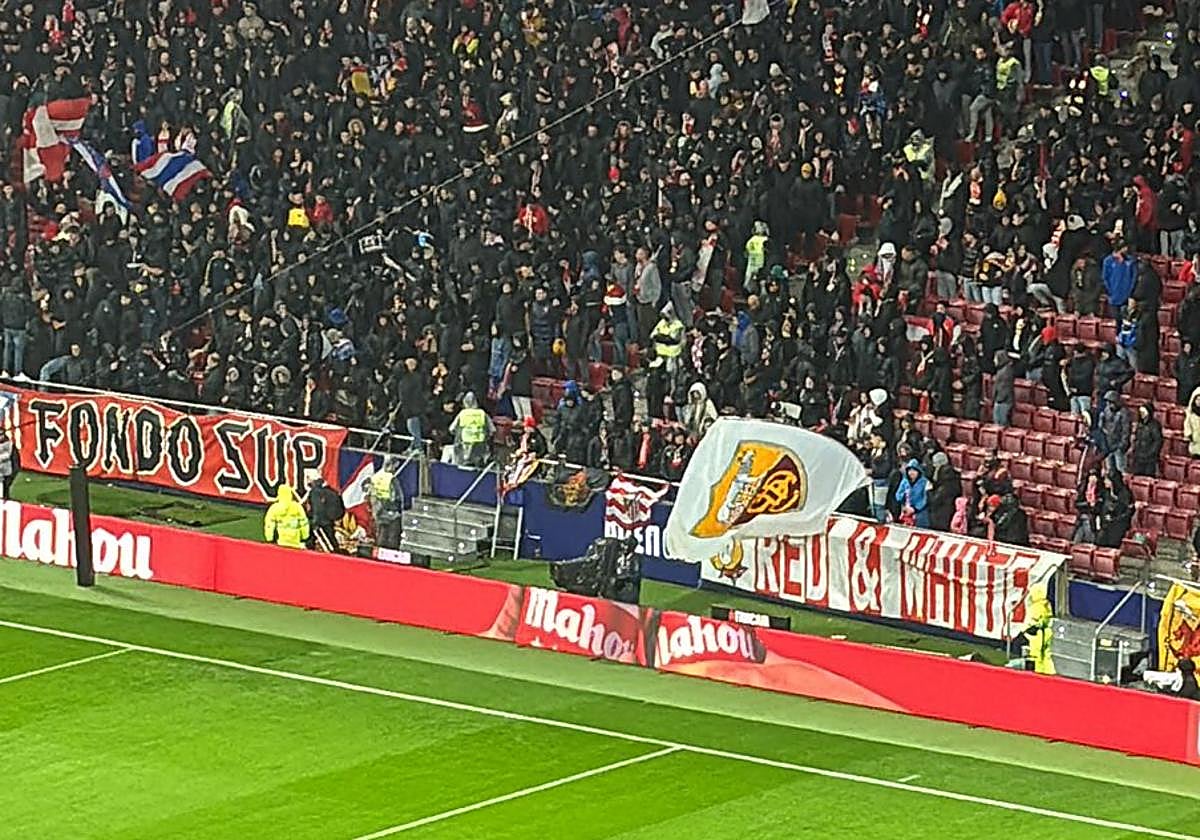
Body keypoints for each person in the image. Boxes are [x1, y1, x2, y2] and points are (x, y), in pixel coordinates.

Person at [448, 392, 494, 467]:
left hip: (464, 448)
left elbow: (451, 429)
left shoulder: (462, 414)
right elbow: (492, 430)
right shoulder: (482, 414)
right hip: (480, 448)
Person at [305, 472, 345, 553]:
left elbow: (317, 509)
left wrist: (314, 522)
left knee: (321, 544)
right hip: (329, 521)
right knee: (332, 542)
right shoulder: (331, 491)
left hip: (320, 522)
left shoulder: (315, 492)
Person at [263, 486, 311, 550]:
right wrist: (305, 536)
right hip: (296, 542)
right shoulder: (297, 507)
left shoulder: (274, 508)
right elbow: (304, 523)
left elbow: (269, 525)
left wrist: (269, 538)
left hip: (282, 541)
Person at [927, 451, 962, 532]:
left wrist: (929, 491)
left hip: (941, 518)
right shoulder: (953, 478)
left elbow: (934, 500)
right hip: (947, 514)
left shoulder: (946, 482)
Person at [1099, 390, 1132, 474]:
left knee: (1120, 469)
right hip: (1108, 445)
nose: (1109, 405)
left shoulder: (1124, 413)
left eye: (1111, 403)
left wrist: (1122, 445)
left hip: (1118, 446)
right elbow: (1102, 427)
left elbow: (1126, 431)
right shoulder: (1106, 411)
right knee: (1109, 470)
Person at [894, 459, 931, 529]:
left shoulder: (925, 482)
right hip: (905, 511)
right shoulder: (904, 481)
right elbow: (898, 494)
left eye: (914, 470)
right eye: (910, 470)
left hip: (920, 513)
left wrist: (915, 508)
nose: (911, 473)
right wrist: (903, 500)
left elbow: (926, 498)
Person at [1131, 404, 1163, 477]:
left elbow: (1158, 441)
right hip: (1138, 456)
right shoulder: (1139, 424)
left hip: (1149, 458)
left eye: (1144, 412)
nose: (1142, 414)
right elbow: (1136, 438)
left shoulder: (1155, 425)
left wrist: (1151, 453)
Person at [1185, 387, 1200, 458]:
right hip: (1195, 445)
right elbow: (1187, 422)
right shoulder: (1191, 415)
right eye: (1198, 399)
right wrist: (1189, 434)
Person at [0, 427, 13, 499]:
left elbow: (8, 454)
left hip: (6, 468)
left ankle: (6, 498)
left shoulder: (8, 442)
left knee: (6, 486)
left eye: (1, 435)